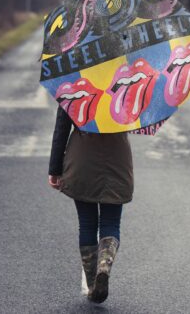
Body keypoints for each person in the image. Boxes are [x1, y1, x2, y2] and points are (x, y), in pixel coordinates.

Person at [47, 104, 134, 304]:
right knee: (111, 222)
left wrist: (55, 168)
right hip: (117, 155)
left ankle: (93, 284)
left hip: (82, 155)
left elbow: (62, 128)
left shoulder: (74, 81)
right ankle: (104, 267)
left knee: (87, 223)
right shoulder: (125, 79)